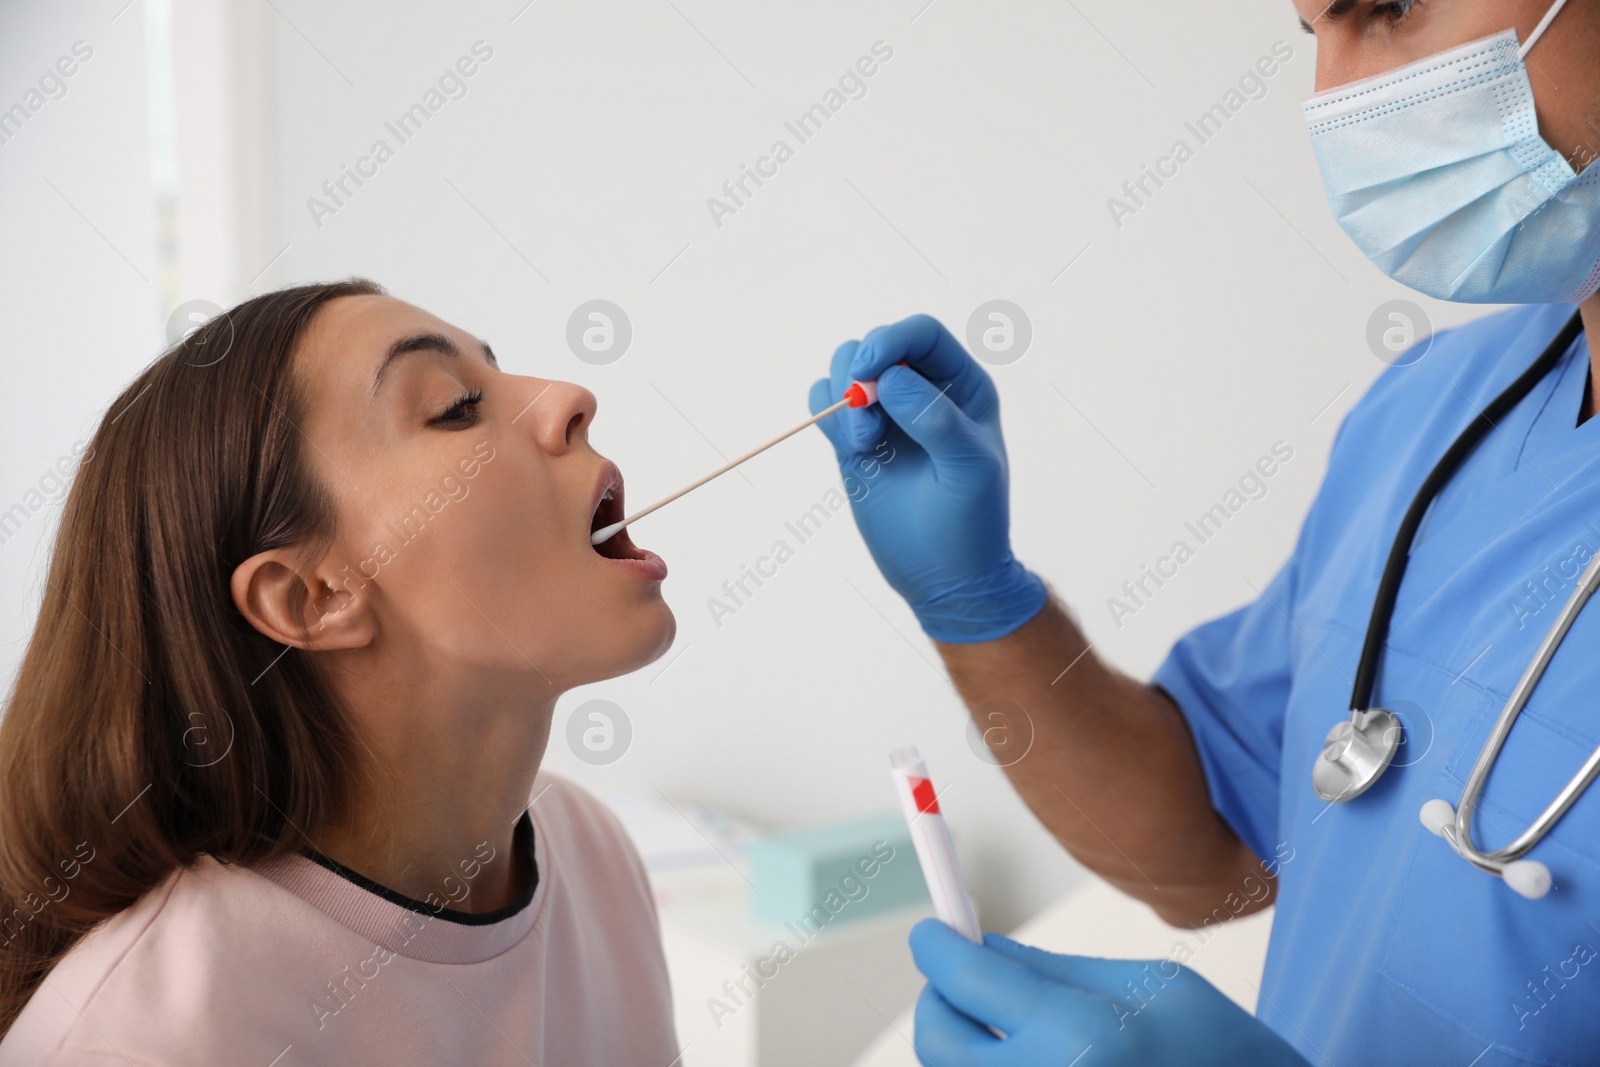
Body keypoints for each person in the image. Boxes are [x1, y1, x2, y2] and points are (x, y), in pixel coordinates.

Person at [808, 0, 1600, 1063]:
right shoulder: (1436, 410)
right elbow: (1210, 849)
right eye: (1308, 33)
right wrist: (977, 604)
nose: (1333, 98)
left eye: (1389, 9)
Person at [0, 280, 680, 1064]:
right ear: (313, 596)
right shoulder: (146, 1037)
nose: (569, 395)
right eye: (458, 405)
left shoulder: (590, 848)